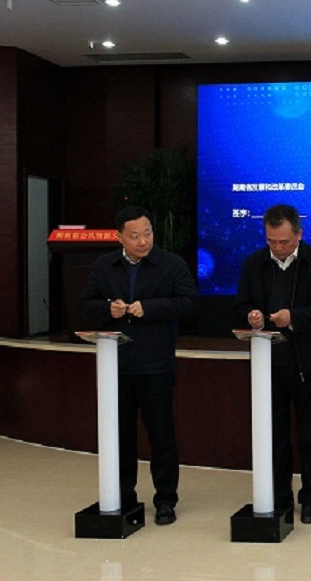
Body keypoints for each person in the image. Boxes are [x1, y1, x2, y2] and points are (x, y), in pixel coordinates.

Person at [80, 205, 198, 526]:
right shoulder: (104, 266)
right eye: (134, 236)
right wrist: (108, 309)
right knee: (121, 436)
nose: (143, 241)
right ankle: (123, 494)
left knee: (161, 436)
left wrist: (150, 308)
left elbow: (189, 302)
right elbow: (86, 304)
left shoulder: (171, 264)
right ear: (119, 237)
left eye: (147, 233)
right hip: (115, 366)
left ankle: (165, 500)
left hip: (155, 364)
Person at [234, 204, 311, 524]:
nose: (278, 247)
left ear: (299, 234)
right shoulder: (254, 263)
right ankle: (279, 496)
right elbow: (240, 303)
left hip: (309, 364)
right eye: (271, 241)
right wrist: (251, 316)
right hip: (268, 364)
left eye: (284, 241)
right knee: (273, 435)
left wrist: (294, 318)